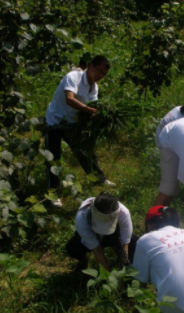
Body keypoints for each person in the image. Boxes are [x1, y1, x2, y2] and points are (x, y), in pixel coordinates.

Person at [45, 55, 115, 208]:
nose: (100, 76)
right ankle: (53, 194)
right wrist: (91, 111)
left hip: (72, 123)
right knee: (53, 159)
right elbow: (70, 99)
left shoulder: (94, 88)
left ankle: (99, 178)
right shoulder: (73, 77)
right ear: (90, 66)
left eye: (104, 75)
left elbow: (90, 106)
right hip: (56, 121)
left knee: (85, 151)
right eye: (99, 71)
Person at [65, 192, 138, 271]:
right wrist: (108, 277)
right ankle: (83, 262)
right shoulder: (82, 218)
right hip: (93, 233)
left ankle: (119, 254)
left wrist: (125, 266)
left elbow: (125, 243)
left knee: (135, 244)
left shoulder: (123, 213)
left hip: (113, 234)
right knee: (73, 248)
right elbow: (97, 250)